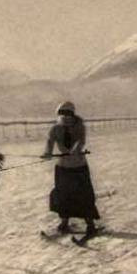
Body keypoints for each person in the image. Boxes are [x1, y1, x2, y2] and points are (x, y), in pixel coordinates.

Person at [41, 101, 100, 236]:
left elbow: (81, 141)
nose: (66, 117)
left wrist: (76, 149)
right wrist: (48, 153)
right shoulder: (55, 129)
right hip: (62, 168)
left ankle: (90, 224)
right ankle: (64, 222)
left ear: (73, 114)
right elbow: (50, 141)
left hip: (78, 167)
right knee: (63, 195)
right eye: (62, 114)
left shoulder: (80, 126)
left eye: (68, 114)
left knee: (84, 196)